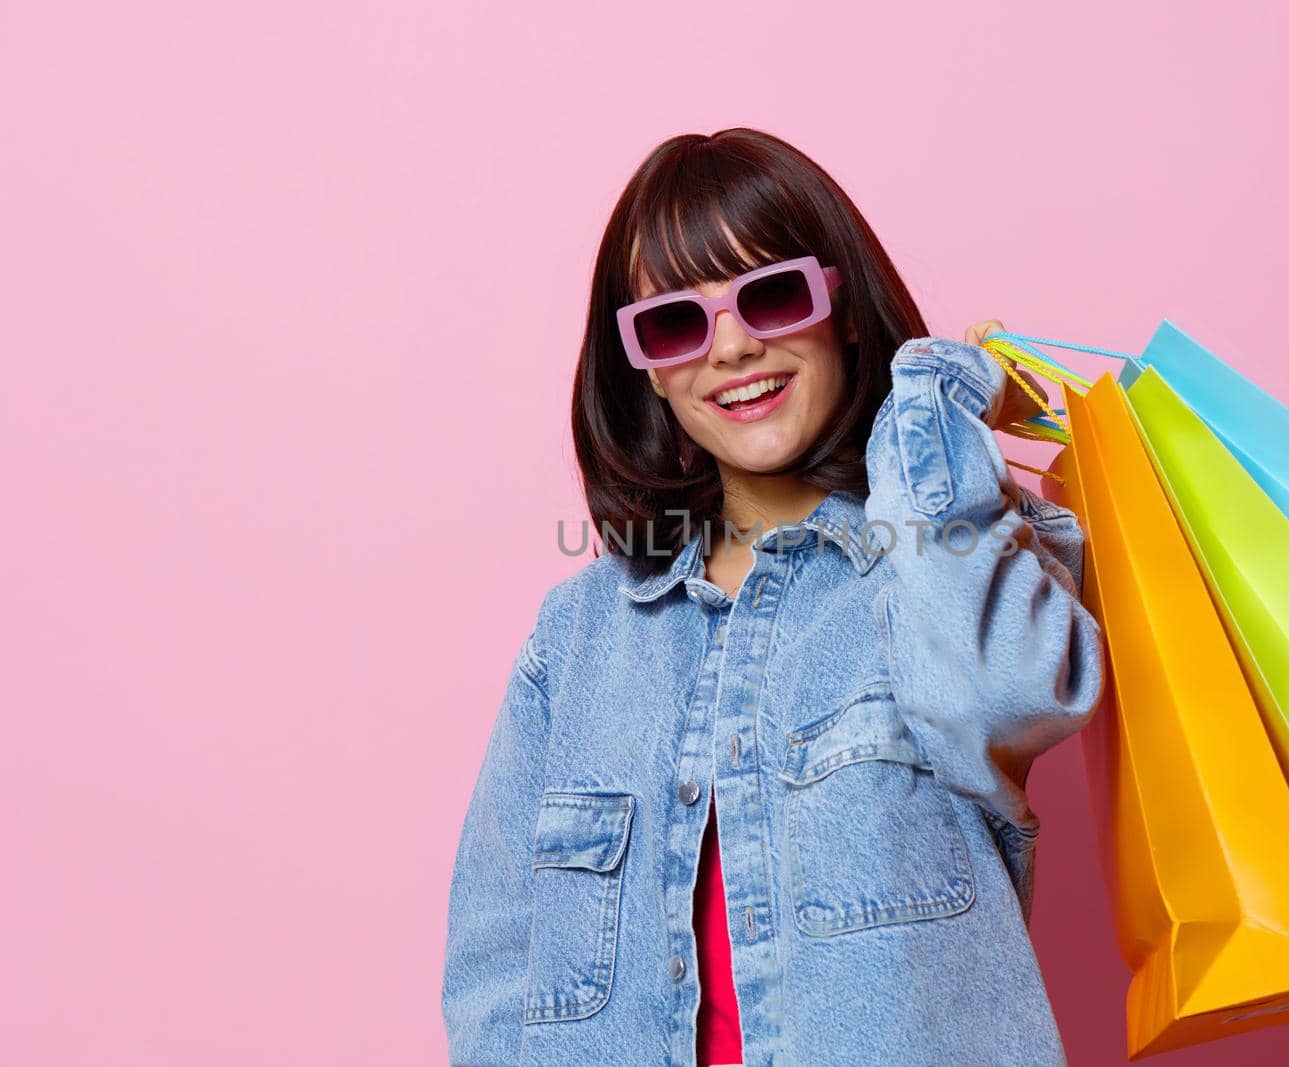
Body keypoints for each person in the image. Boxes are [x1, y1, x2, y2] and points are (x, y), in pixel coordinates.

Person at [441, 127, 1105, 1067]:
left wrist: (929, 401)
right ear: (646, 368)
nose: (733, 346)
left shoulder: (930, 570)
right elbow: (497, 967)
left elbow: (1007, 691)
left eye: (773, 294)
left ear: (840, 308)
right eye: (676, 323)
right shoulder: (580, 637)